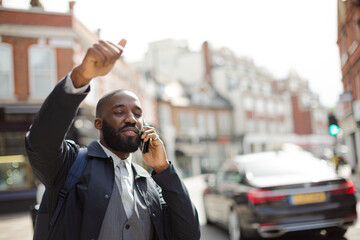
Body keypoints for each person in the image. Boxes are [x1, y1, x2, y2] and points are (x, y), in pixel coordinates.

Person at [25, 39, 200, 240]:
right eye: (119, 112)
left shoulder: (148, 182)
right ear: (98, 124)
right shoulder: (71, 165)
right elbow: (41, 142)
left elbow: (189, 234)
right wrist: (80, 77)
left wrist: (164, 170)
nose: (131, 119)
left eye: (137, 113)